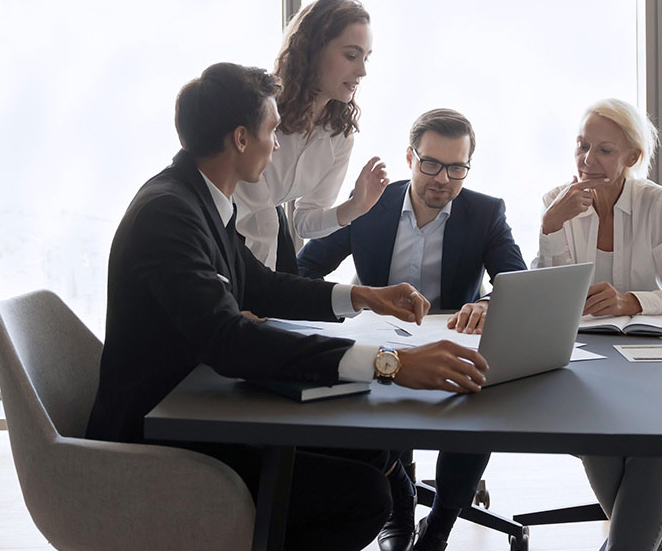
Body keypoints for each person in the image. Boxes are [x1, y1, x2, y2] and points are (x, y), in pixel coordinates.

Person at [85, 63, 489, 551]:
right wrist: (392, 364)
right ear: (240, 138)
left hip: (199, 401)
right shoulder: (169, 213)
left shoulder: (198, 197)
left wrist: (363, 297)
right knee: (362, 498)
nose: (277, 145)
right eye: (273, 130)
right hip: (163, 431)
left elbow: (260, 286)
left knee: (368, 447)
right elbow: (231, 341)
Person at [298, 108, 527, 551]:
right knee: (366, 398)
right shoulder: (371, 207)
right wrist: (354, 302)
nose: (442, 178)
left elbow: (514, 283)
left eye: (456, 167)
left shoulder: (484, 213)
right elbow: (304, 270)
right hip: (380, 344)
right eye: (431, 163)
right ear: (410, 158)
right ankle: (399, 508)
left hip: (452, 344)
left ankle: (438, 526)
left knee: (478, 396)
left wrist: (484, 303)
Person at [533, 98, 662, 551]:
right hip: (584, 365)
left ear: (631, 157)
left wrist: (633, 300)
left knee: (652, 433)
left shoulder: (657, 203)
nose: (588, 160)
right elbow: (541, 300)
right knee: (618, 433)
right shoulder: (556, 203)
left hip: (653, 363)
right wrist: (550, 227)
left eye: (604, 150)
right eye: (582, 146)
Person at [234, 0, 389, 272]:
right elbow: (255, 217)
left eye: (366, 58)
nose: (362, 71)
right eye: (351, 56)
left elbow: (304, 222)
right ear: (313, 50)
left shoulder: (339, 136)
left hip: (261, 252)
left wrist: (355, 207)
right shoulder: (261, 109)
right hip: (217, 238)